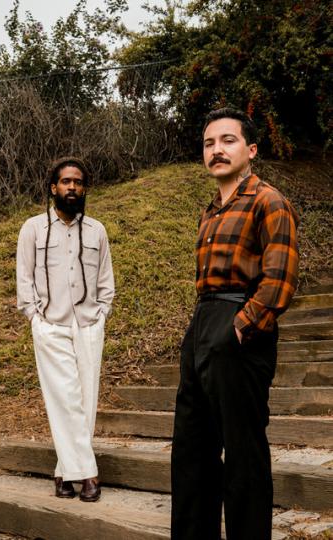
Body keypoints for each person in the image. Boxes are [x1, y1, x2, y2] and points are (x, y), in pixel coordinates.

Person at [170, 108, 299, 539]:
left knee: (243, 453)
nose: (217, 150)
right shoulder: (210, 212)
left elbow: (279, 278)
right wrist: (200, 334)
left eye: (228, 140)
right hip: (202, 324)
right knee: (191, 450)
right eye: (209, 143)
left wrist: (241, 325)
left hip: (240, 327)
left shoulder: (269, 200)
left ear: (252, 149)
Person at [16, 157, 115, 502]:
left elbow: (106, 279)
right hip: (50, 323)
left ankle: (63, 471)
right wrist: (34, 317)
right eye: (66, 181)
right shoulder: (33, 228)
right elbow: (24, 278)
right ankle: (88, 474)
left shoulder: (97, 230)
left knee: (85, 398)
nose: (72, 187)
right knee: (65, 398)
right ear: (53, 187)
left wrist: (102, 313)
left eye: (78, 182)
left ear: (84, 188)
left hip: (89, 323)